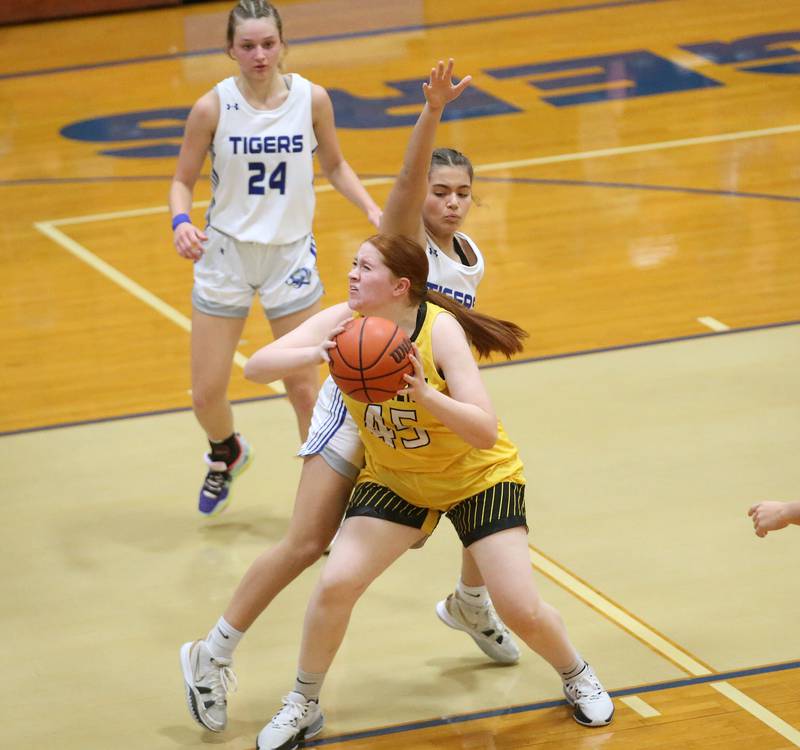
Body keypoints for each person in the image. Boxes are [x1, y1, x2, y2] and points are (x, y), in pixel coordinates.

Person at [243, 62, 614, 749]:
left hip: (472, 465)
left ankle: (575, 670)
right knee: (333, 582)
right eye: (352, 267)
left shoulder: (438, 315)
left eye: (363, 267)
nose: (352, 274)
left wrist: (419, 390)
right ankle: (304, 703)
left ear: (398, 280)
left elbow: (483, 429)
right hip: (400, 470)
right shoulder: (346, 326)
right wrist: (321, 357)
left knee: (521, 603)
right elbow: (259, 365)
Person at [179, 60, 520, 738]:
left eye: (461, 193)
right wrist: (431, 114)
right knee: (306, 543)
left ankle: (473, 600)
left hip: (413, 400)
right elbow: (401, 182)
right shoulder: (402, 239)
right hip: (355, 404)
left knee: (485, 479)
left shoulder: (468, 255)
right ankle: (210, 652)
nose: (449, 202)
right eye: (439, 190)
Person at [169, 0, 381, 515]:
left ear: (283, 45)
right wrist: (180, 223)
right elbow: (182, 180)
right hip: (226, 256)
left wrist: (373, 208)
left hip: (290, 257)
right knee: (206, 394)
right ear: (230, 50)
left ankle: (321, 508)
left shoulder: (312, 99)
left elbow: (335, 165)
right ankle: (227, 450)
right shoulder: (212, 108)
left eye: (268, 44)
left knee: (305, 390)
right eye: (248, 46)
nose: (259, 54)